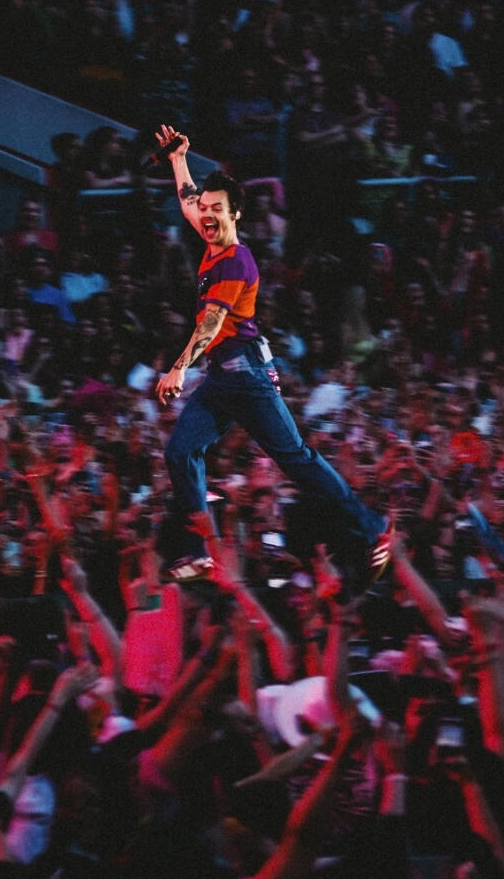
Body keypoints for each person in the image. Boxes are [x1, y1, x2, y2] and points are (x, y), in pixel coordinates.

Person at [151, 123, 386, 589]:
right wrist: (178, 160)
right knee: (180, 451)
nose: (206, 215)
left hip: (247, 376)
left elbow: (212, 323)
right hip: (222, 378)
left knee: (296, 459)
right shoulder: (212, 239)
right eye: (206, 209)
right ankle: (199, 549)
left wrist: (178, 368)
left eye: (217, 210)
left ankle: (371, 527)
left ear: (235, 214)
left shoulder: (235, 260)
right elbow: (188, 200)